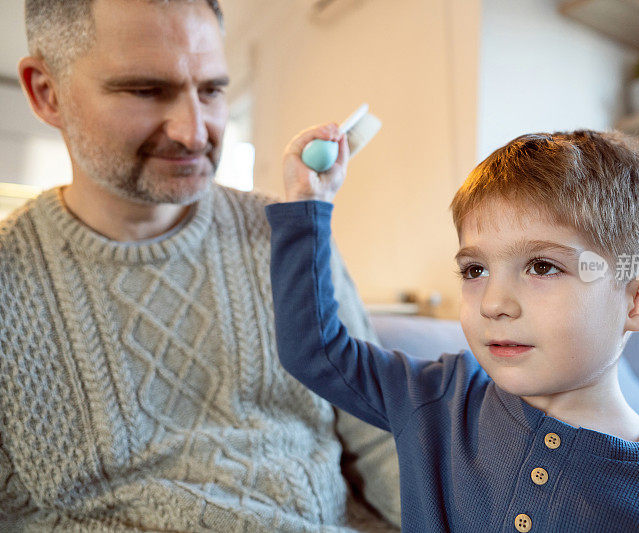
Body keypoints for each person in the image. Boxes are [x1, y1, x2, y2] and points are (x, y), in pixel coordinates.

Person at [0, 0, 401, 531]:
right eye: (145, 90)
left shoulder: (282, 233)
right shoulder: (11, 278)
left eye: (211, 90)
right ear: (45, 92)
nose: (195, 133)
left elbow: (379, 435)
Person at [267, 127, 639, 532]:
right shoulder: (437, 396)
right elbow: (314, 350)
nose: (495, 303)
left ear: (638, 302)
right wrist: (308, 206)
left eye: (542, 267)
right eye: (475, 271)